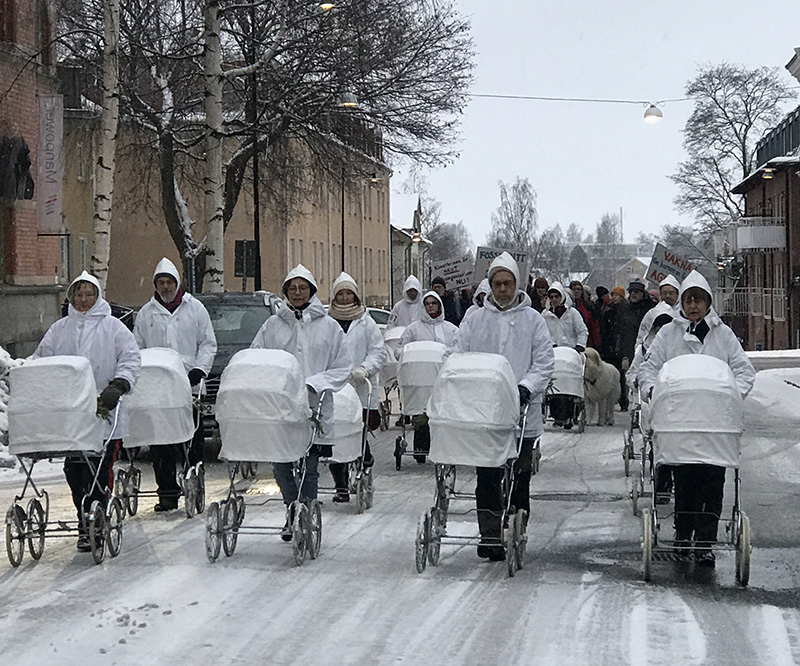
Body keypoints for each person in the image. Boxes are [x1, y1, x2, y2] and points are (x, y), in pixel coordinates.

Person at [640, 270, 756, 567]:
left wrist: (732, 395)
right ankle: (683, 534)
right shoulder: (668, 333)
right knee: (685, 481)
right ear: (682, 303)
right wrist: (653, 390)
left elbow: (744, 371)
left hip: (715, 422)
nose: (693, 306)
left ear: (708, 303)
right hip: (681, 420)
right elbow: (649, 368)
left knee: (713, 482)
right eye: (688, 300)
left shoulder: (723, 335)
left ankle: (705, 541)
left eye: (699, 300)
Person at [449, 252, 554, 561]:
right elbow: (457, 353)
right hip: (486, 410)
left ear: (516, 284)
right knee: (488, 474)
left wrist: (527, 387)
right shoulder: (475, 319)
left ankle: (518, 522)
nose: (503, 289)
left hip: (523, 410)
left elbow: (544, 362)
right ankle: (490, 534)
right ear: (490, 286)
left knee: (520, 474)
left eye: (508, 283)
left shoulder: (533, 320)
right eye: (497, 284)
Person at [32, 271, 141, 551]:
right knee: (74, 469)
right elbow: (41, 359)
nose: (83, 300)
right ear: (71, 298)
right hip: (72, 412)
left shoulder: (113, 327)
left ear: (97, 296)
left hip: (105, 409)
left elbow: (130, 358)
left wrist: (119, 384)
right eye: (78, 295)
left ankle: (96, 521)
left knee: (99, 469)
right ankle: (86, 517)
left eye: (88, 295)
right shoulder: (59, 329)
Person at [251, 264, 351, 540]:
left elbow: (342, 366)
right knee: (281, 463)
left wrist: (315, 383)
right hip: (281, 405)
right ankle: (292, 508)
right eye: (292, 288)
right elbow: (257, 356)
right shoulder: (273, 325)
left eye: (302, 288)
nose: (297, 293)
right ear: (285, 292)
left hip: (313, 404)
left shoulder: (328, 327)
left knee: (309, 464)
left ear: (311, 291)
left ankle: (305, 511)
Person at [133, 257, 217, 511]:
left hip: (190, 385)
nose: (166, 287)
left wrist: (200, 369)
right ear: (155, 285)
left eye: (169, 282)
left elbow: (208, 343)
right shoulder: (146, 314)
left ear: (177, 283)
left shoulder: (195, 309)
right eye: (161, 282)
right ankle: (167, 492)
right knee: (161, 441)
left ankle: (194, 484)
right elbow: (137, 347)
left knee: (192, 439)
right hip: (158, 389)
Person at [326, 272, 386, 502]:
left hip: (359, 385)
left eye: (348, 293)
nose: (344, 298)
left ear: (356, 296)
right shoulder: (325, 321)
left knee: (357, 429)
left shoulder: (366, 322)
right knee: (335, 434)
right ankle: (340, 485)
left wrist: (365, 369)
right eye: (340, 294)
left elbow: (377, 351)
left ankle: (364, 464)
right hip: (334, 388)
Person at [399, 291, 458, 463]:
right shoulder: (413, 329)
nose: (431, 306)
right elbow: (401, 349)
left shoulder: (451, 329)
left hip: (443, 378)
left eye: (434, 303)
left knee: (441, 416)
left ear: (439, 305)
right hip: (421, 378)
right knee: (421, 415)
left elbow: (458, 349)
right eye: (427, 303)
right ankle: (421, 449)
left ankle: (440, 449)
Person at [599, 286, 630, 410]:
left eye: (617, 295)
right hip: (609, 346)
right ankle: (609, 401)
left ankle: (623, 400)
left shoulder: (626, 310)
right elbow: (604, 329)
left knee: (621, 375)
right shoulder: (608, 310)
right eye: (613, 295)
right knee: (609, 375)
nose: (614, 298)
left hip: (621, 345)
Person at [635, 274, 681, 350]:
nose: (667, 296)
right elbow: (641, 336)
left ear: (678, 294)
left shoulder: (683, 313)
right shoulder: (652, 313)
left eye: (671, 293)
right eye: (664, 293)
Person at [542, 282, 588, 352]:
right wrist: (551, 344)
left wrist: (580, 345)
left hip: (572, 350)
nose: (554, 299)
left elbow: (582, 331)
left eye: (556, 296)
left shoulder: (573, 313)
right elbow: (543, 333)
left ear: (562, 296)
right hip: (552, 351)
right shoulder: (545, 314)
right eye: (551, 297)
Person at [569, 280, 601, 349]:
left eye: (579, 289)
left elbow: (593, 325)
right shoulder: (567, 307)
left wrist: (596, 342)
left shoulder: (588, 306)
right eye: (574, 289)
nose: (576, 291)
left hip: (587, 341)